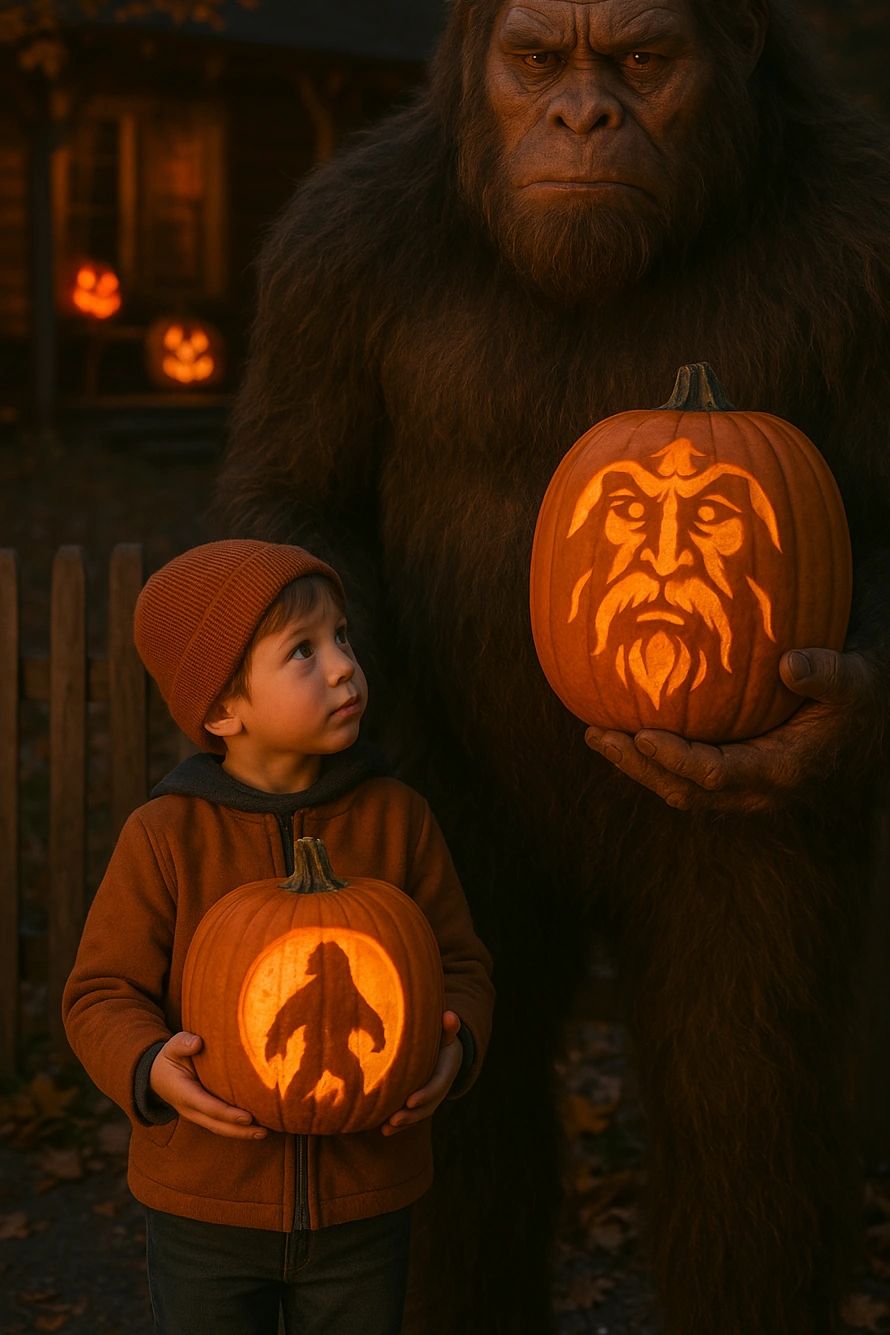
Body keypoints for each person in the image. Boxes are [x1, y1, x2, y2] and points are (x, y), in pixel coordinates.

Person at [213, 2, 890, 1331]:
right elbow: (285, 501)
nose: (584, 112)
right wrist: (333, 721)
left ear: (738, 47)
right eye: (540, 63)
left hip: (742, 792)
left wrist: (863, 688)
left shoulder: (852, 237)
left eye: (640, 62)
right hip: (439, 757)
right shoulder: (359, 236)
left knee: (755, 1156)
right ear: (470, 58)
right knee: (436, 1158)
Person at [62, 538, 494, 1335]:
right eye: (303, 650)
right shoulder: (166, 837)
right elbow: (100, 992)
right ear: (223, 708)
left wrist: (455, 1043)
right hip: (207, 1209)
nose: (342, 666)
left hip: (366, 1203)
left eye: (343, 638)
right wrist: (149, 1064)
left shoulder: (397, 820)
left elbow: (460, 961)